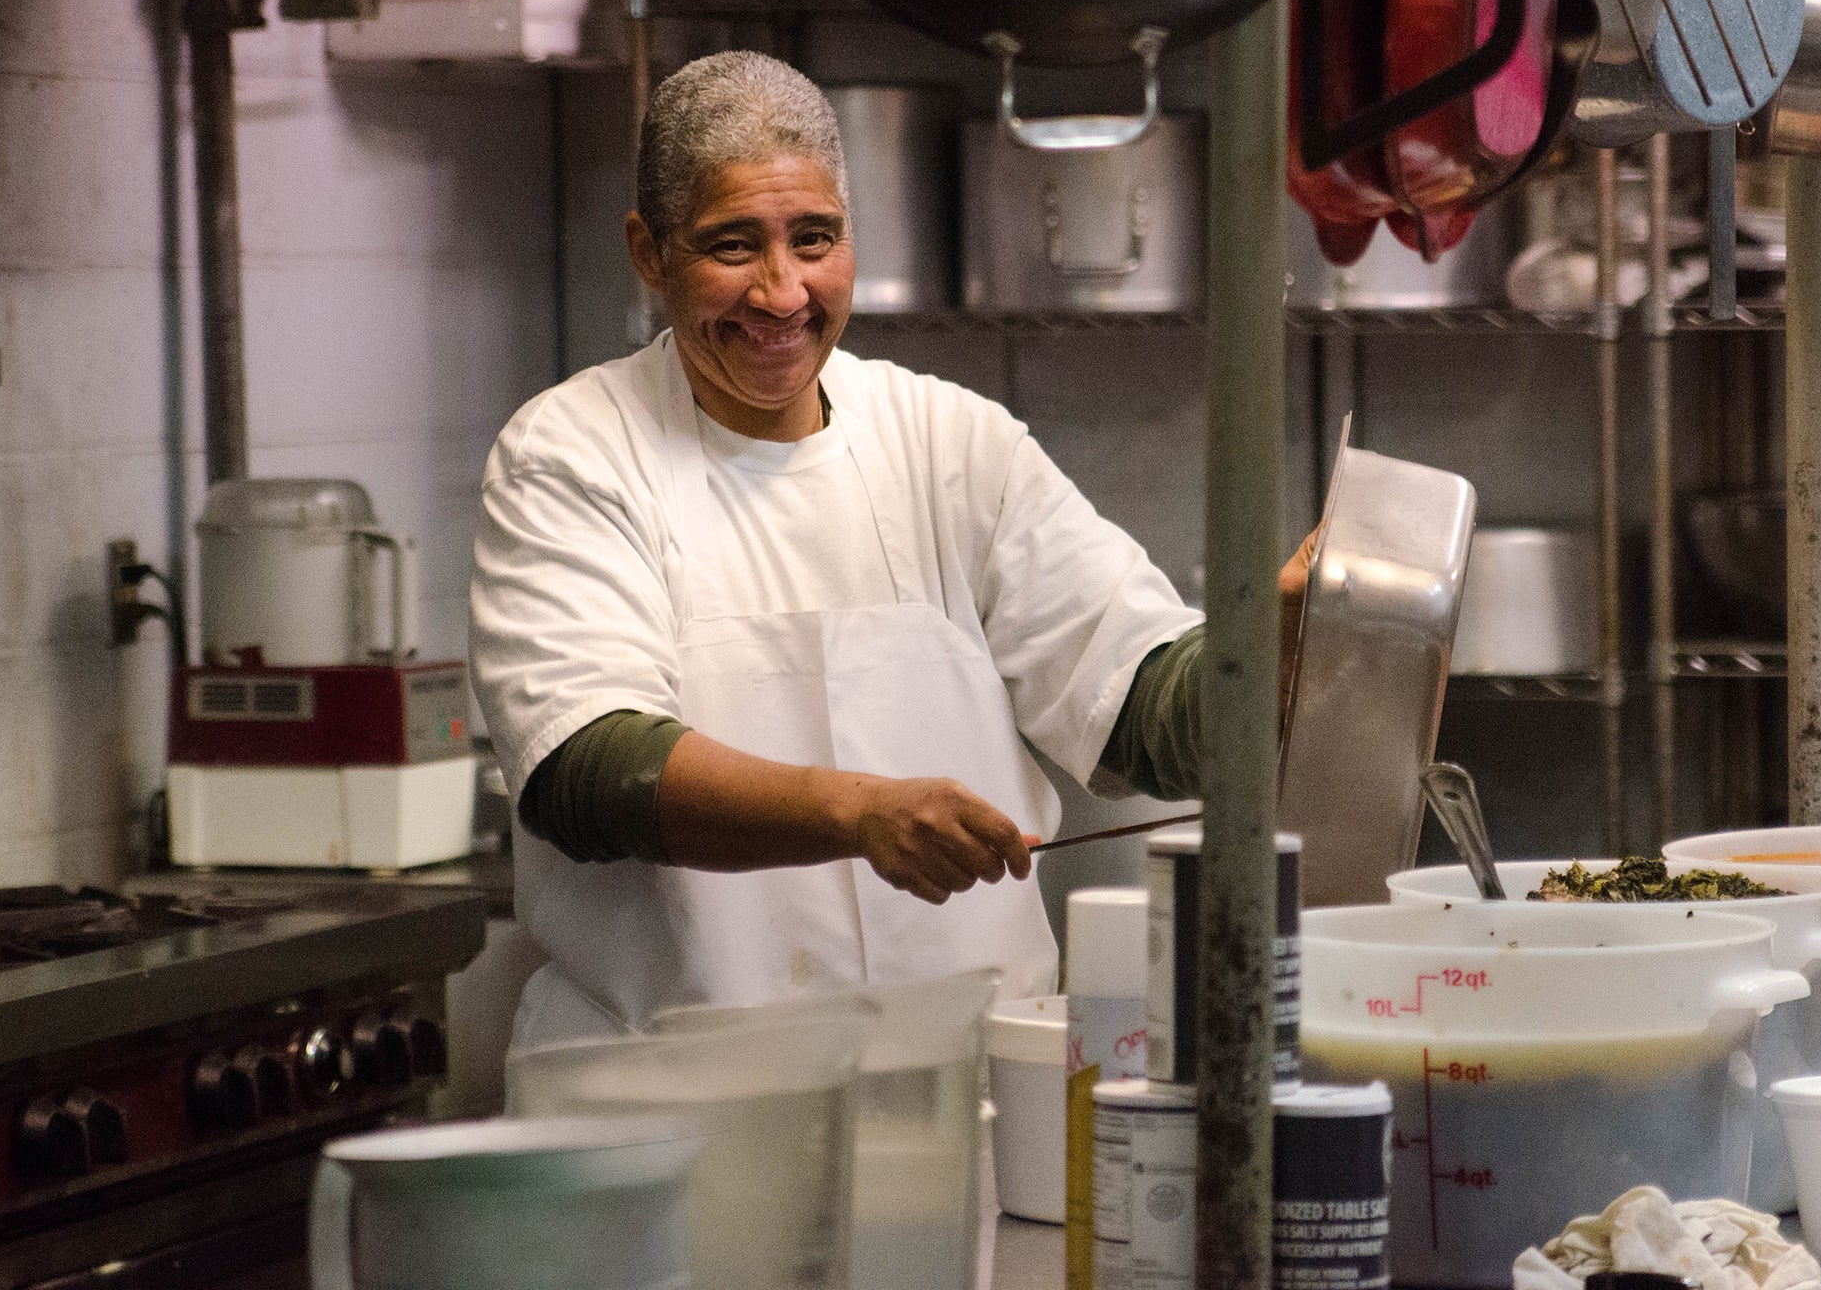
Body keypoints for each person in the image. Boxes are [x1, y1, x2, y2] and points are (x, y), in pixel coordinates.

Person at [470, 51, 1317, 1048]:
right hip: (684, 1111)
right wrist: (856, 812)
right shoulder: (569, 454)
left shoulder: (951, 442)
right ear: (648, 253)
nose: (781, 293)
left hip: (970, 1101)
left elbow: (1137, 708)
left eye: (814, 239)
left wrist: (1281, 637)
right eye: (732, 245)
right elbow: (587, 770)